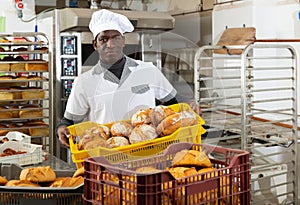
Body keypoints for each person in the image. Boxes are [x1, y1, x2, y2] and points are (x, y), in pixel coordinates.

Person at [56, 9, 199, 147]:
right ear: (95, 45)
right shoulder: (84, 82)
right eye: (103, 39)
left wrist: (189, 104)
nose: (110, 45)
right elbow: (69, 121)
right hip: (107, 156)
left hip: (150, 151)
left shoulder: (148, 70)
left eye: (116, 38)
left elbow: (174, 102)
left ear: (123, 41)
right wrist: (62, 128)